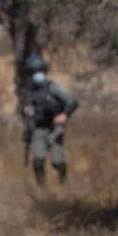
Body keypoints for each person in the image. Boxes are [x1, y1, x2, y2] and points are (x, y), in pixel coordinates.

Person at [23, 55, 78, 186]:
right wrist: (29, 126)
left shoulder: (53, 88)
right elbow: (29, 112)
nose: (37, 75)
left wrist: (65, 114)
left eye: (39, 72)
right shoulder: (30, 93)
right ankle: (42, 190)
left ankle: (64, 183)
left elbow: (72, 102)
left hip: (54, 128)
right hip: (38, 128)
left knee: (57, 162)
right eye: (34, 72)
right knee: (38, 161)